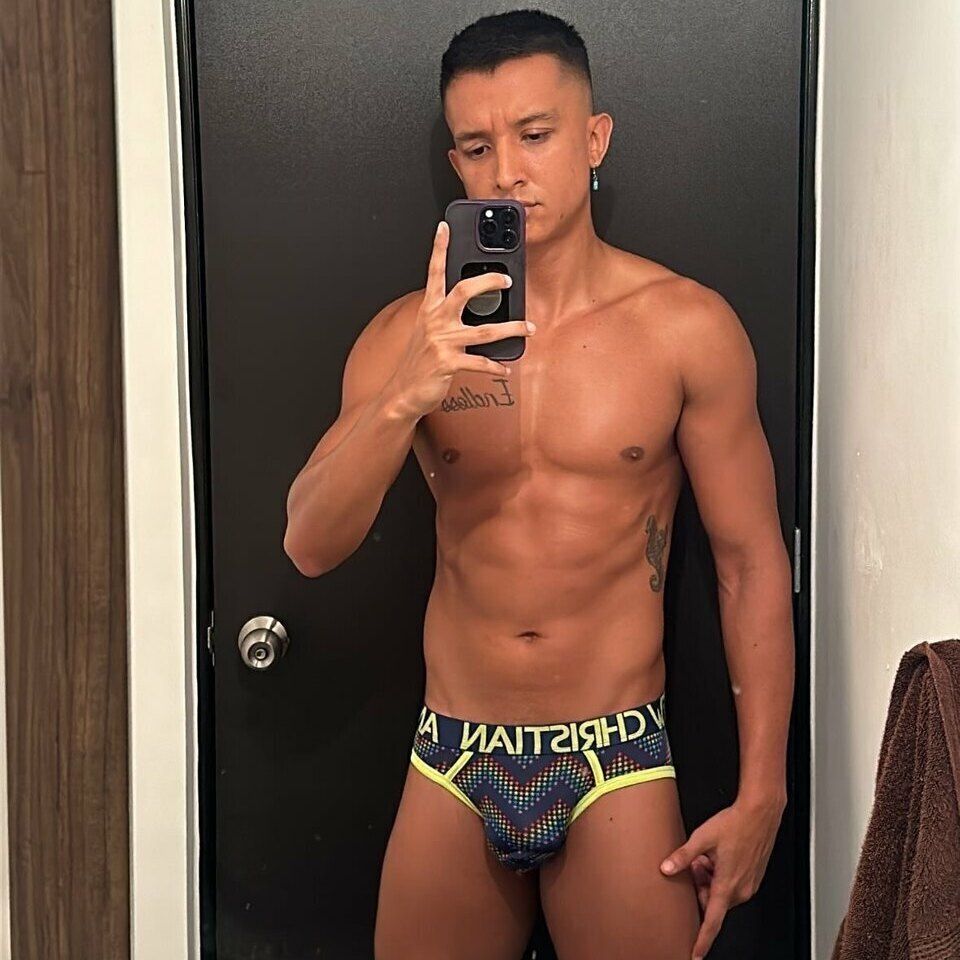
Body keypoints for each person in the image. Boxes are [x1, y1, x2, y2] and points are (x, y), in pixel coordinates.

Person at [283, 9, 794, 960]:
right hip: (456, 751)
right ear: (456, 164)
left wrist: (764, 790)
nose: (507, 172)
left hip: (615, 755)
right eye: (479, 147)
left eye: (535, 134)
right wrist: (406, 397)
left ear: (593, 139)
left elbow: (750, 561)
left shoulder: (685, 328)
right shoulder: (405, 338)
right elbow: (309, 544)